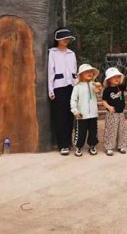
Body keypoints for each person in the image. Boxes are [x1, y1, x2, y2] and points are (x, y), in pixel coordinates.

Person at [48, 28, 77, 156]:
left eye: (68, 38)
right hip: (58, 87)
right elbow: (50, 72)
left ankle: (68, 141)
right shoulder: (52, 53)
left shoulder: (72, 53)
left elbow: (75, 72)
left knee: (70, 114)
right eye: (64, 38)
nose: (66, 40)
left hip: (71, 86)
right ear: (58, 39)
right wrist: (50, 89)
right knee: (60, 116)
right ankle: (62, 144)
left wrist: (77, 88)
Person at [101, 67, 127, 156]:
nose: (116, 79)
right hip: (111, 113)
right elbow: (104, 101)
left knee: (122, 130)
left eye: (118, 77)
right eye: (114, 77)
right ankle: (109, 147)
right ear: (109, 80)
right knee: (111, 130)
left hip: (121, 113)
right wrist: (109, 107)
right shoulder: (107, 90)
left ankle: (121, 145)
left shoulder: (120, 87)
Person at [70, 64, 102, 157]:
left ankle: (92, 145)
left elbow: (98, 95)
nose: (90, 73)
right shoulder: (77, 86)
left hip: (93, 114)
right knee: (80, 132)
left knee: (93, 131)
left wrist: (99, 90)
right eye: (87, 72)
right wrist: (75, 111)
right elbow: (73, 99)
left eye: (91, 72)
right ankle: (79, 146)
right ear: (81, 74)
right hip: (81, 114)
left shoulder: (94, 84)